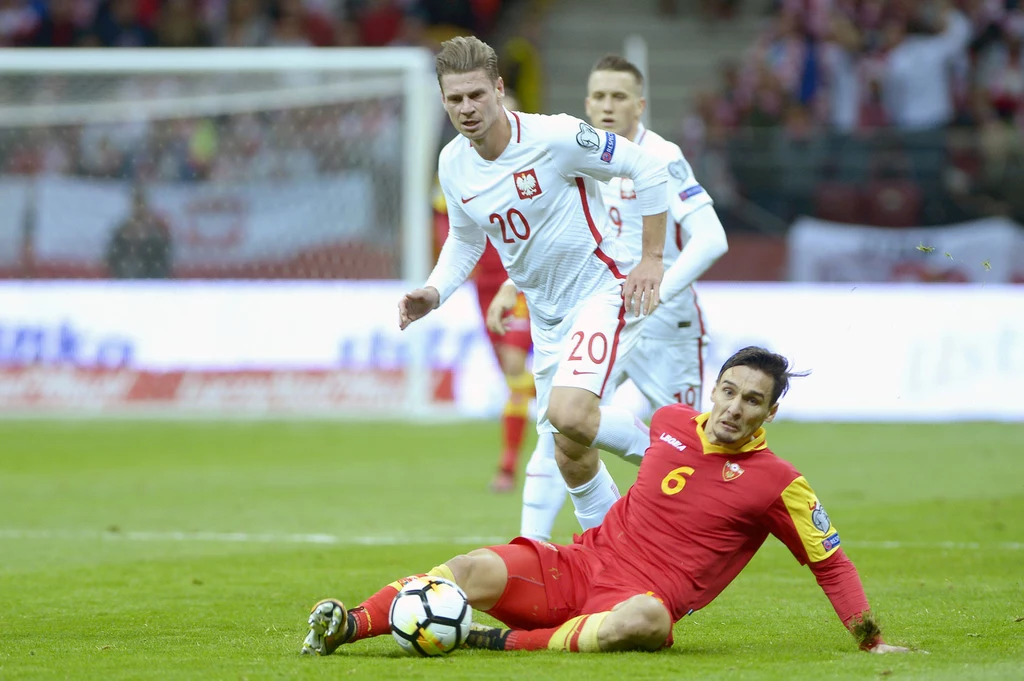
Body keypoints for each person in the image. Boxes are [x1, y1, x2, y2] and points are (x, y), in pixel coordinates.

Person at [301, 346, 911, 656]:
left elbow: (832, 563)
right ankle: (348, 624)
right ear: (713, 387)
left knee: (648, 621)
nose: (734, 408)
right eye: (728, 391)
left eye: (752, 401)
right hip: (577, 566)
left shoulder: (780, 483)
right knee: (468, 569)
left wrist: (871, 640)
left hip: (637, 603)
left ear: (771, 411)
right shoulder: (669, 421)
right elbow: (588, 427)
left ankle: (493, 642)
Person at [399, 36, 669, 531]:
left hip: (599, 292)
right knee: (569, 451)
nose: (467, 108)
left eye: (477, 95)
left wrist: (651, 258)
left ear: (499, 89)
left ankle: (680, 456)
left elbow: (646, 167)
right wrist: (434, 291)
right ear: (443, 102)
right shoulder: (452, 163)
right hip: (544, 316)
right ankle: (615, 562)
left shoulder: (556, 137)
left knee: (569, 414)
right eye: (455, 99)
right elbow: (465, 239)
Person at [488, 54, 729, 540]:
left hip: (667, 324)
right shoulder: (577, 153)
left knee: (690, 441)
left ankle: (695, 540)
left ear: (640, 104)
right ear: (586, 102)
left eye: (619, 96)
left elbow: (711, 238)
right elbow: (559, 231)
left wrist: (661, 288)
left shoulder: (662, 157)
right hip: (603, 310)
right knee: (558, 428)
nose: (607, 105)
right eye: (598, 95)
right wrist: (512, 284)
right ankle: (528, 550)